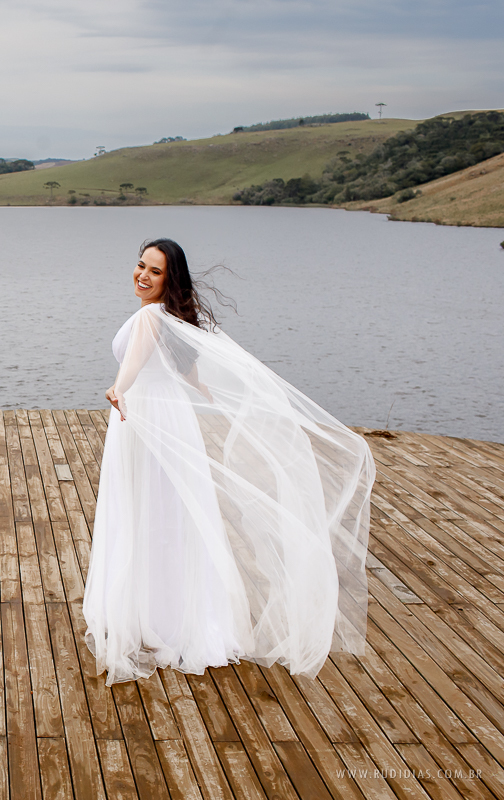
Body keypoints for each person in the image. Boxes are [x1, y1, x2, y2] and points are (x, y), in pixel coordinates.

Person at [83, 239, 374, 685]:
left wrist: (118, 387)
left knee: (149, 514)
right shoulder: (170, 319)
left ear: (170, 279)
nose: (142, 275)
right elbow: (186, 373)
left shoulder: (150, 317)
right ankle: (169, 616)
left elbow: (135, 363)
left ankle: (155, 619)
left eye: (155, 271)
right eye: (141, 265)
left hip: (143, 418)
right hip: (164, 419)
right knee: (169, 517)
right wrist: (207, 392)